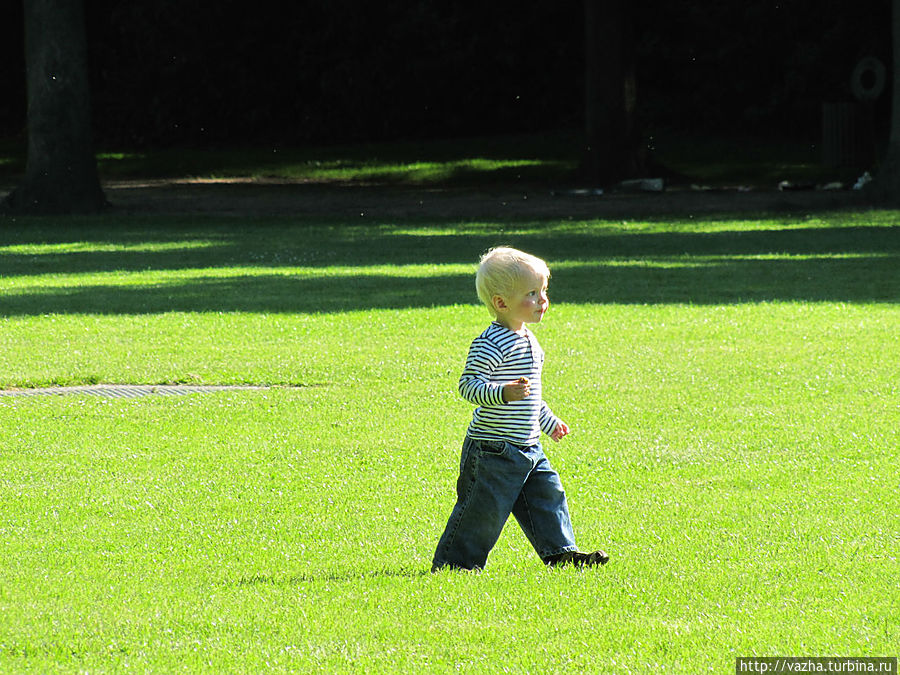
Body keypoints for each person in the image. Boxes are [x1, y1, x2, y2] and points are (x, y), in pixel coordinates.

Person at [431, 247, 609, 571]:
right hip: (494, 449)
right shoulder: (490, 342)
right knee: (483, 509)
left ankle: (561, 553)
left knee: (548, 496)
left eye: (544, 291)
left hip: (529, 445)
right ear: (501, 303)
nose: (542, 299)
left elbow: (530, 397)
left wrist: (548, 421)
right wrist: (502, 392)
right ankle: (456, 564)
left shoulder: (530, 341)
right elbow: (468, 385)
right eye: (531, 293)